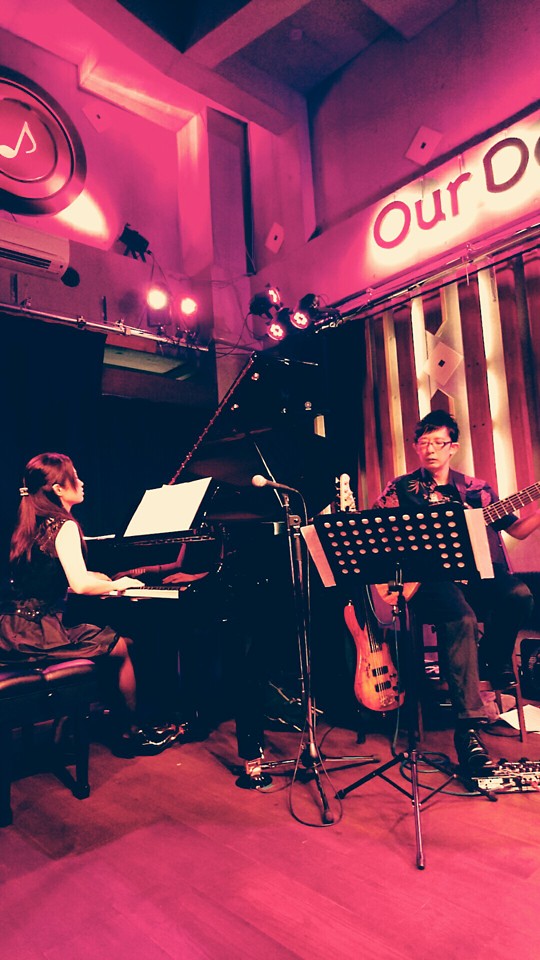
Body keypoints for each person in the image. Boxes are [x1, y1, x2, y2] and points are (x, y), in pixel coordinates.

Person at [374, 410, 540, 775]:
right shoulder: (400, 488)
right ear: (416, 447)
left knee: (519, 595)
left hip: (475, 577)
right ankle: (467, 730)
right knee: (461, 618)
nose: (431, 449)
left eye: (439, 442)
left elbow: (518, 530)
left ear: (453, 447)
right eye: (424, 442)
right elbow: (375, 532)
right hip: (427, 582)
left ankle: (492, 659)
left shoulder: (476, 490)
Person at [0, 452, 180, 756]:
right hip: (37, 630)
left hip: (10, 627)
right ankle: (130, 734)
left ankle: (80, 718)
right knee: (120, 647)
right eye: (75, 476)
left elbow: (49, 575)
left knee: (120, 644)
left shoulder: (29, 522)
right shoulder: (64, 525)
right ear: (58, 488)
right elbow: (81, 585)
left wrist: (95, 577)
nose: (81, 482)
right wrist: (117, 584)